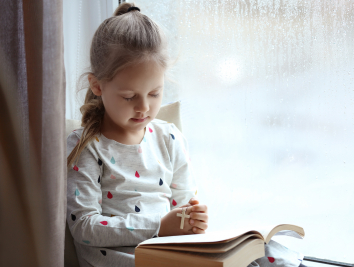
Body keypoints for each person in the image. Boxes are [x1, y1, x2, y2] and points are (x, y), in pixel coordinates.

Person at [66, 2, 307, 267]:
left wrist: (192, 220)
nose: (144, 107)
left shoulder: (168, 139)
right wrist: (159, 225)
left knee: (264, 251)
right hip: (129, 260)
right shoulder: (86, 146)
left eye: (155, 93)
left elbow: (182, 212)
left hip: (170, 252)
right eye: (129, 96)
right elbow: (85, 228)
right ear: (97, 85)